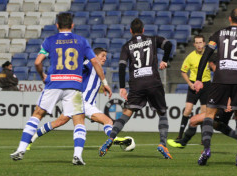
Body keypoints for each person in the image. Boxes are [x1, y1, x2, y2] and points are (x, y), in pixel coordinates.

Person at [10, 13, 112, 165]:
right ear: (72, 25)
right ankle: (77, 156)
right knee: (79, 120)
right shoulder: (81, 41)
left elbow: (38, 62)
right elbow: (95, 63)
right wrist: (105, 83)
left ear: (57, 25)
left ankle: (21, 149)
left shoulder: (49, 40)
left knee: (37, 114)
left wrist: (42, 75)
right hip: (74, 85)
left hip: (54, 83)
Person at [193, 8, 237, 166]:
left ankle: (206, 150)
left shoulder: (218, 34)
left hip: (221, 78)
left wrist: (198, 79)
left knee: (209, 115)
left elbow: (206, 55)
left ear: (230, 19)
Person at [98, 18, 173, 159]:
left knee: (126, 113)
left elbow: (121, 66)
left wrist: (121, 87)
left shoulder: (127, 46)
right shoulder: (152, 39)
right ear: (143, 30)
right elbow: (168, 44)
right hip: (153, 82)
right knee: (162, 113)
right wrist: (165, 60)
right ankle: (162, 143)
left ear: (131, 31)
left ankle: (111, 138)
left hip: (137, 84)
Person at [26, 48, 126, 150]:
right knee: (108, 121)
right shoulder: (89, 63)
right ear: (95, 56)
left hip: (83, 103)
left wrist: (103, 86)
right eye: (102, 56)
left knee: (59, 121)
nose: (105, 58)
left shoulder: (100, 70)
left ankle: (31, 138)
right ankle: (114, 139)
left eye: (105, 56)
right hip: (82, 101)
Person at [175, 35, 212, 140]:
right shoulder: (190, 56)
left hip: (206, 85)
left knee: (204, 112)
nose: (199, 45)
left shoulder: (209, 55)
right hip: (193, 85)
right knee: (187, 110)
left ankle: (203, 138)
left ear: (204, 43)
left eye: (201, 42)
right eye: (197, 43)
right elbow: (183, 71)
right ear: (194, 44)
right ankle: (180, 135)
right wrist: (190, 84)